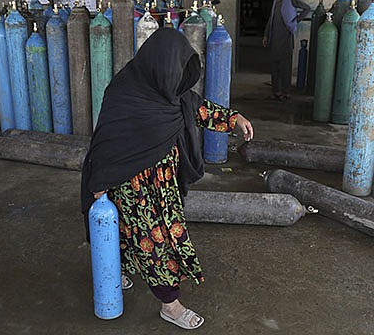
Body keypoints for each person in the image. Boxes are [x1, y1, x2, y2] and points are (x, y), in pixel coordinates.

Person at [81, 28, 254, 330]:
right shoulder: (124, 93)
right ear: (160, 64)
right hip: (133, 188)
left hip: (165, 187)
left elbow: (199, 107)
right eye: (177, 71)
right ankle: (169, 305)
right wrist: (99, 184)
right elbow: (106, 143)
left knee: (142, 235)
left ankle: (117, 268)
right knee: (154, 245)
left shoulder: (171, 89)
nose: (180, 81)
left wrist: (234, 119)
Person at [262, 0, 310, 102]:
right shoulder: (275, 2)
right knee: (274, 67)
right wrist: (266, 35)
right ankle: (276, 91)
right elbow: (271, 20)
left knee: (285, 67)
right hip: (274, 39)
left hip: (286, 39)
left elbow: (306, 8)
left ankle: (286, 92)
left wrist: (295, 21)